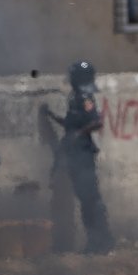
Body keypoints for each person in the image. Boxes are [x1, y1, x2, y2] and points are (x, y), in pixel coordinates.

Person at [42, 60, 115, 254]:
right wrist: (51, 116)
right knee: (85, 199)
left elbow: (96, 122)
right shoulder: (76, 97)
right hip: (76, 155)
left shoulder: (84, 96)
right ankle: (97, 241)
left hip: (83, 154)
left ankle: (101, 241)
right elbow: (71, 124)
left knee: (90, 200)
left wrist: (79, 134)